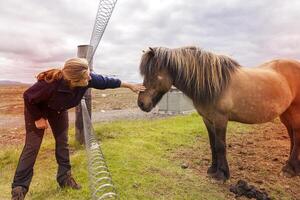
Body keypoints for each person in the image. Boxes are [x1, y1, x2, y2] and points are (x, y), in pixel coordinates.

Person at [11, 58, 146, 200]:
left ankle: (65, 179)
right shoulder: (50, 83)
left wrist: (130, 85)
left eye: (89, 73)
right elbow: (28, 96)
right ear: (74, 79)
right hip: (37, 110)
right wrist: (38, 118)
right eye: (86, 75)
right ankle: (19, 189)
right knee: (32, 147)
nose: (90, 77)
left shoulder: (88, 78)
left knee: (63, 142)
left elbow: (107, 81)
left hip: (58, 110)